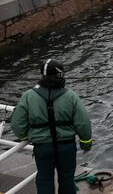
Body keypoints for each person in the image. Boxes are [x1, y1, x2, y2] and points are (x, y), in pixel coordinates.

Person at [10, 59, 92, 194]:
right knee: (67, 179)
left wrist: (27, 136)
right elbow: (83, 123)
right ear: (60, 75)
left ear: (42, 75)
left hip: (42, 148)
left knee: (44, 179)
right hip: (66, 147)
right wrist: (86, 143)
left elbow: (17, 124)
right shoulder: (71, 96)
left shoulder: (28, 96)